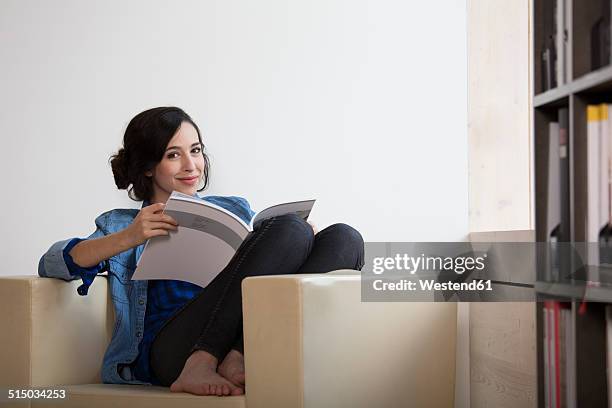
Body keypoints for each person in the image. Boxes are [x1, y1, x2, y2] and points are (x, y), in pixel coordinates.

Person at [38, 107, 364, 397]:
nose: (191, 165)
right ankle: (202, 362)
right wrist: (129, 237)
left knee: (342, 237)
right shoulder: (123, 223)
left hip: (236, 336)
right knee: (290, 229)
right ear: (149, 166)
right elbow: (52, 262)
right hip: (171, 351)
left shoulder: (234, 208)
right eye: (173, 155)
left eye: (195, 150)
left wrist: (303, 242)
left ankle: (237, 355)